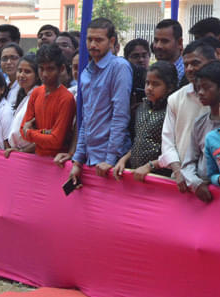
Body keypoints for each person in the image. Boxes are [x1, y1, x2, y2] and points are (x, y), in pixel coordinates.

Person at [67, 18, 132, 185]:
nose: (93, 44)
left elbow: (120, 115)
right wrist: (78, 160)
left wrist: (110, 159)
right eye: (89, 39)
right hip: (90, 158)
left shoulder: (120, 67)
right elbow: (86, 119)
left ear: (111, 41)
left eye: (99, 40)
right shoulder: (86, 73)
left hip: (112, 162)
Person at [158, 39, 215, 193]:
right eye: (186, 64)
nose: (189, 69)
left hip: (216, 184)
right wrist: (178, 172)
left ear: (212, 62)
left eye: (195, 63)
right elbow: (167, 142)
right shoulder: (176, 98)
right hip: (180, 183)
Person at [113, 60, 178, 181]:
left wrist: (150, 166)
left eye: (156, 84)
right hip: (137, 173)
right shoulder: (141, 108)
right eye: (147, 83)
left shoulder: (172, 111)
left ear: (170, 87)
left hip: (160, 177)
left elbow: (174, 150)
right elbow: (139, 141)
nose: (149, 88)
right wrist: (123, 159)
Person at [180, 60, 220, 202]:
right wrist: (196, 183)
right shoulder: (200, 123)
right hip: (204, 194)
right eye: (198, 88)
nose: (201, 93)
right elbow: (188, 163)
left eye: (206, 88)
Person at [14, 43, 75, 158]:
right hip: (37, 158)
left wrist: (32, 132)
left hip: (58, 161)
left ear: (61, 69)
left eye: (50, 69)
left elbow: (56, 141)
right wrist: (45, 133)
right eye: (41, 68)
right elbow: (22, 131)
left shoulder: (66, 98)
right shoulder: (36, 93)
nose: (45, 74)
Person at [5, 52, 39, 151]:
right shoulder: (24, 96)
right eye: (19, 71)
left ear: (37, 76)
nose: (21, 75)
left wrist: (22, 151)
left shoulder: (39, 96)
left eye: (27, 72)